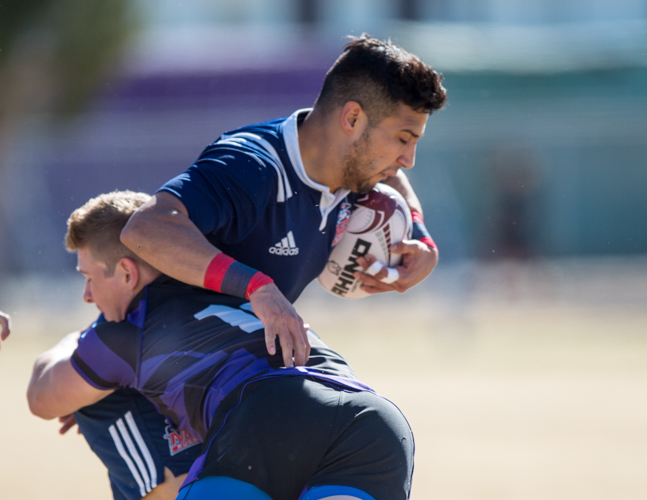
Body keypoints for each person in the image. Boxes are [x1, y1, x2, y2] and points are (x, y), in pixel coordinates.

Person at [28, 191, 413, 500]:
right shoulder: (233, 273)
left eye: (90, 278)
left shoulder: (124, 332)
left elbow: (42, 398)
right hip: (375, 420)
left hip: (268, 416)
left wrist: (75, 340)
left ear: (127, 272)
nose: (87, 295)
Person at [121, 34, 447, 368]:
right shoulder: (252, 166)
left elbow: (393, 177)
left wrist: (420, 238)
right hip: (158, 360)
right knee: (361, 413)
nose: (408, 159)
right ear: (352, 119)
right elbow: (146, 229)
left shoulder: (353, 168)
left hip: (238, 359)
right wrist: (256, 286)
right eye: (403, 139)